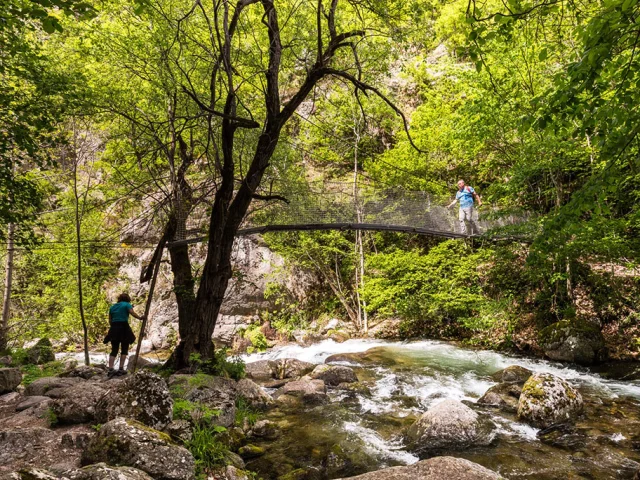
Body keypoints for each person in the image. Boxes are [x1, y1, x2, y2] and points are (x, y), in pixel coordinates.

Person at [105, 293, 144, 377]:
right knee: (124, 348)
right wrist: (140, 318)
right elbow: (132, 313)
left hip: (114, 328)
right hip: (123, 327)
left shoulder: (112, 307)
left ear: (119, 298)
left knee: (114, 349)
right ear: (128, 299)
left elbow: (110, 320)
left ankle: (110, 369)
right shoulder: (127, 304)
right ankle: (121, 369)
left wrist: (113, 328)